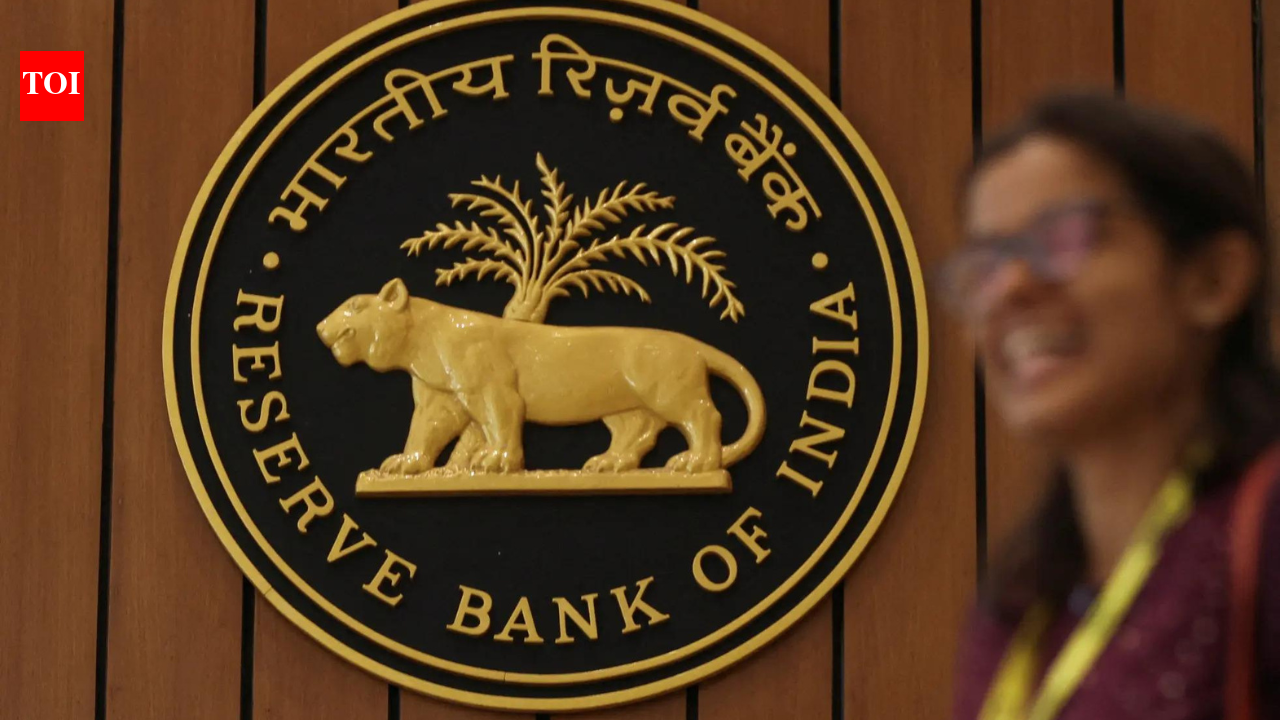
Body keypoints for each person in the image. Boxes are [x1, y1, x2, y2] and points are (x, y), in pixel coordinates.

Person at [944, 92, 1280, 720]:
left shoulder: (1263, 528)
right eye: (986, 264)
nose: (1012, 287)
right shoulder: (1020, 605)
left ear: (1213, 278)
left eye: (1062, 238)